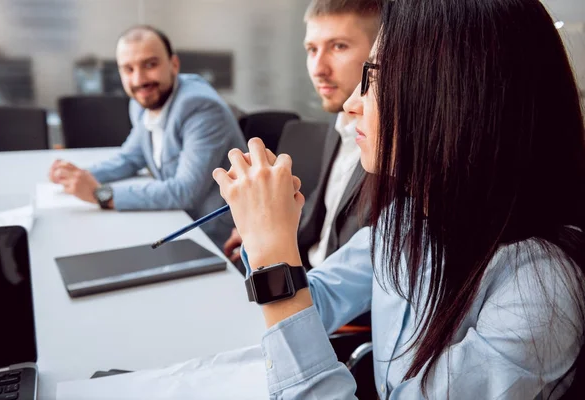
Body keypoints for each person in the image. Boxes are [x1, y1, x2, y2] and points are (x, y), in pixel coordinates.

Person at [213, 0, 585, 398]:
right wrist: (265, 234)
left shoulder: (540, 289)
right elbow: (317, 298)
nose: (352, 104)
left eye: (373, 78)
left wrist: (273, 255)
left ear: (455, 96)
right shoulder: (408, 217)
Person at [49, 25, 245, 244]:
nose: (139, 79)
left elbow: (184, 191)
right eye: (128, 69)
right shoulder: (142, 102)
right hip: (172, 221)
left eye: (150, 65)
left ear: (174, 65)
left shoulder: (201, 108)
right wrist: (77, 177)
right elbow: (130, 158)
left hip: (214, 235)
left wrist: (101, 195)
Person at [223, 0, 382, 269]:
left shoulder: (389, 147)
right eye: (311, 49)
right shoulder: (340, 125)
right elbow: (324, 214)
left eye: (339, 46)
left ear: (381, 50)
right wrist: (265, 231)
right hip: (307, 273)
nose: (318, 69)